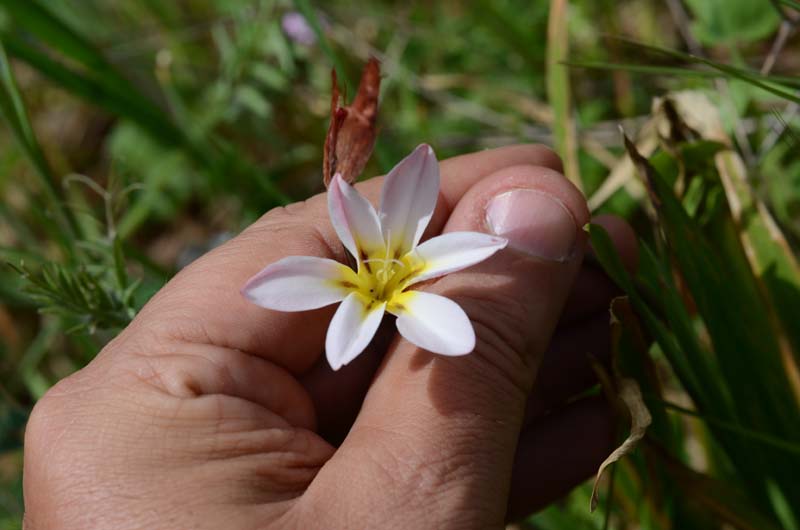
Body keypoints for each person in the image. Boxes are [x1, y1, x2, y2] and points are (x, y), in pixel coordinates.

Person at [23, 144, 637, 529]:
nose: (382, 275)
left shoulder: (384, 278)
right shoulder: (355, 302)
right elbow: (411, 342)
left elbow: (456, 313)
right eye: (376, 273)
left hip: (404, 289)